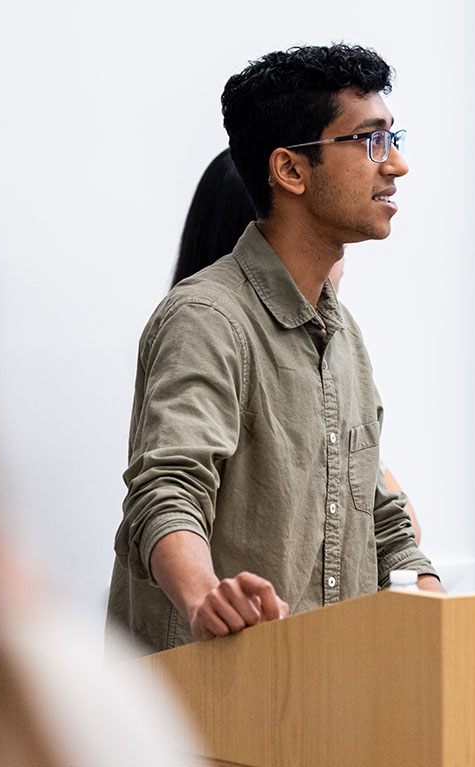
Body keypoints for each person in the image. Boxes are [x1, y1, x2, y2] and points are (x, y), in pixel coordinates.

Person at [108, 43, 442, 655]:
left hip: (320, 693)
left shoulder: (342, 335)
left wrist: (423, 585)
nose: (395, 165)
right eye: (370, 141)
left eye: (393, 139)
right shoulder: (207, 319)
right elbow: (166, 491)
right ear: (290, 170)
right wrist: (205, 595)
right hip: (213, 708)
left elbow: (381, 513)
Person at [175, 149, 423, 542]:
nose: (338, 262)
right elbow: (170, 499)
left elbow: (395, 527)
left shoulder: (341, 342)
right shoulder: (205, 328)